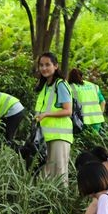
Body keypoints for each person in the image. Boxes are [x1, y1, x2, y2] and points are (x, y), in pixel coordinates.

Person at [33, 52, 73, 183]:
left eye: (47, 65)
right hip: (46, 136)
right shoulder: (45, 86)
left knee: (59, 174)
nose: (44, 68)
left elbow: (68, 110)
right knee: (46, 174)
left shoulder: (60, 84)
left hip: (59, 136)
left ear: (55, 66)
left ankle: (62, 202)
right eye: (41, 65)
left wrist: (46, 114)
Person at [67, 68, 106, 132]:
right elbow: (103, 102)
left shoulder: (70, 87)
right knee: (94, 141)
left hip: (81, 120)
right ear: (82, 76)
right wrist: (100, 114)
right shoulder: (93, 86)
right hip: (97, 120)